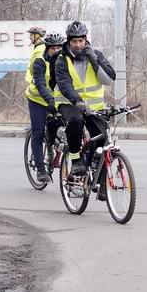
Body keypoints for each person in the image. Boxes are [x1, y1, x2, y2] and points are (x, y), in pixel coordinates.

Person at [54, 21, 116, 199]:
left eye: (81, 41)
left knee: (103, 139)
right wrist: (77, 101)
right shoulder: (61, 59)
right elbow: (64, 84)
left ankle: (101, 183)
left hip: (94, 107)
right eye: (74, 41)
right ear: (69, 41)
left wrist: (95, 61)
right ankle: (75, 160)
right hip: (69, 103)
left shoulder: (95, 55)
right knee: (76, 121)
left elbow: (108, 79)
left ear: (85, 40)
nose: (78, 45)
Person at [25, 32, 65, 183]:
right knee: (38, 132)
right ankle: (41, 170)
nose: (56, 51)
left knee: (65, 129)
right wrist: (50, 100)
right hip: (37, 100)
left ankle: (58, 154)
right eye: (52, 48)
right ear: (47, 49)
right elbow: (41, 84)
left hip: (55, 99)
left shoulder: (65, 60)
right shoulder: (40, 61)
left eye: (59, 48)